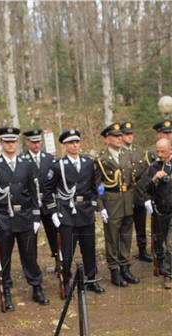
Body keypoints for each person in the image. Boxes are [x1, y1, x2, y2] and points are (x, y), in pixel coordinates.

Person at [0, 126, 49, 311]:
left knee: (30, 255)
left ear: (17, 143)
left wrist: (36, 217)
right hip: (3, 218)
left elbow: (34, 192)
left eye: (13, 141)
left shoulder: (26, 164)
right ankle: (7, 290)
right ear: (1, 143)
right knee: (4, 258)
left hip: (25, 217)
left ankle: (36, 288)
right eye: (7, 141)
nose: (10, 145)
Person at [45, 129, 105, 294]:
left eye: (77, 142)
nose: (75, 145)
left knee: (89, 249)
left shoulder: (88, 163)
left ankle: (91, 279)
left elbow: (95, 187)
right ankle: (66, 281)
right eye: (71, 143)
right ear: (64, 146)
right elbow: (47, 191)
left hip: (85, 212)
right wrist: (53, 212)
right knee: (67, 251)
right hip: (67, 213)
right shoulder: (58, 166)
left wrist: (93, 204)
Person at [94, 122, 140, 287]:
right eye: (115, 136)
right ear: (107, 139)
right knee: (112, 238)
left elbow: (132, 181)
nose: (119, 138)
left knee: (126, 236)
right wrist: (101, 207)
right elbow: (97, 186)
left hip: (127, 199)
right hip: (111, 201)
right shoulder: (102, 159)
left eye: (120, 136)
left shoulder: (127, 155)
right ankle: (114, 270)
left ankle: (125, 268)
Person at [143, 139, 172, 289]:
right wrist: (154, 179)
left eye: (163, 151)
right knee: (161, 242)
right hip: (159, 210)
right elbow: (148, 190)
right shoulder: (153, 166)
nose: (159, 154)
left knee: (171, 244)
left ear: (171, 149)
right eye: (157, 151)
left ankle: (169, 275)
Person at [21, 128, 58, 266]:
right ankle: (32, 264)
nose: (37, 145)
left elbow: (54, 180)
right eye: (33, 142)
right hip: (31, 205)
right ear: (27, 142)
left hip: (48, 202)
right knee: (31, 237)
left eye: (39, 142)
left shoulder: (49, 158)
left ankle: (58, 260)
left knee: (54, 233)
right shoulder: (22, 160)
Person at [121, 122, 153, 263]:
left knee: (141, 225)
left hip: (139, 195)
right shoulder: (118, 152)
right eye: (127, 134)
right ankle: (123, 254)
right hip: (124, 196)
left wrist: (146, 196)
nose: (130, 136)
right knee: (125, 227)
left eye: (131, 134)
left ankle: (142, 250)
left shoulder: (140, 151)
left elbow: (146, 174)